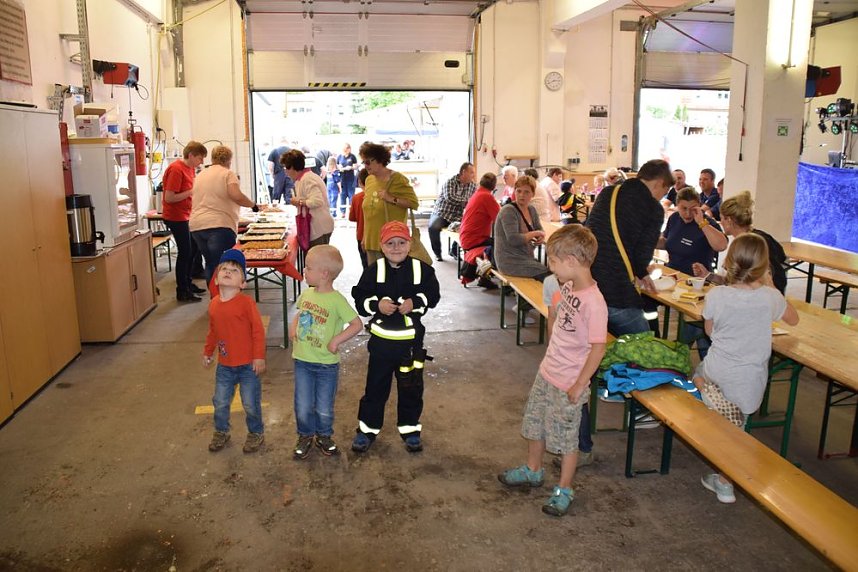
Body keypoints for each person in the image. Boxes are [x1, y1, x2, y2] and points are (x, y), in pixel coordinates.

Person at [498, 225, 608, 517]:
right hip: (548, 371)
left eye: (554, 262)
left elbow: (598, 348)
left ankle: (565, 488)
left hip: (569, 381)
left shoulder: (595, 303)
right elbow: (560, 322)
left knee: (566, 439)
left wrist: (578, 384)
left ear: (571, 260)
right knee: (535, 423)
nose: (551, 267)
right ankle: (534, 470)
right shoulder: (568, 286)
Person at [692, 233, 798, 504]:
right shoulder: (770, 298)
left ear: (729, 262)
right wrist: (772, 285)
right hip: (749, 380)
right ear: (764, 267)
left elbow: (709, 331)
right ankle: (725, 484)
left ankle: (707, 393)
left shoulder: (717, 294)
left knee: (698, 372)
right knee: (738, 430)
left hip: (718, 369)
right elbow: (793, 320)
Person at [351, 221, 441, 454]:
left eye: (401, 242)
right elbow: (360, 298)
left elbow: (433, 295)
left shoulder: (422, 270)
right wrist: (377, 305)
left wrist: (416, 302)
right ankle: (367, 430)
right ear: (381, 246)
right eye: (390, 243)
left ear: (410, 245)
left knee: (411, 389)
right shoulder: (374, 270)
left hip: (410, 346)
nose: (396, 247)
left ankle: (410, 430)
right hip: (381, 347)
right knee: (375, 389)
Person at [290, 245, 363, 459]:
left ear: (324, 274)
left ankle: (324, 435)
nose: (304, 270)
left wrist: (336, 340)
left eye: (308, 267)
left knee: (323, 406)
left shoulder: (337, 300)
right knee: (302, 404)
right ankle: (305, 435)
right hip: (302, 361)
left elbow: (357, 324)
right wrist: (293, 326)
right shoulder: (307, 295)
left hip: (326, 365)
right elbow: (300, 313)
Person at [586, 159, 673, 336]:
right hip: (617, 291)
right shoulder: (654, 209)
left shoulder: (608, 192)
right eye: (665, 191)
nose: (662, 197)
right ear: (659, 183)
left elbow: (590, 231)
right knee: (644, 348)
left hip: (588, 283)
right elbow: (642, 255)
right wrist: (642, 272)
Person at [203, 249, 267, 454]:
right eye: (224, 269)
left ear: (243, 283)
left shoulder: (246, 303)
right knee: (220, 402)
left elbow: (258, 330)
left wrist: (258, 356)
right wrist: (208, 352)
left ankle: (256, 432)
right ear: (215, 278)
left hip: (248, 365)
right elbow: (213, 331)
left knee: (250, 403)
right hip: (224, 366)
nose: (228, 272)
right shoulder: (213, 305)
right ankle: (221, 431)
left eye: (234, 270)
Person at [542, 268, 595, 470]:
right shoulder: (551, 283)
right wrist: (551, 348)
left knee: (578, 401)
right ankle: (570, 444)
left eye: (556, 260)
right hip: (561, 356)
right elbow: (552, 317)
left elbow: (596, 342)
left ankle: (583, 448)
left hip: (580, 357)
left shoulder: (588, 288)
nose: (552, 266)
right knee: (564, 400)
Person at [190, 145, 261, 285]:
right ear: (229, 160)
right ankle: (226, 299)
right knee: (225, 265)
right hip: (219, 225)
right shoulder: (227, 174)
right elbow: (236, 195)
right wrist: (253, 205)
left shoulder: (201, 174)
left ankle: (215, 299)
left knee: (211, 263)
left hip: (197, 226)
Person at [692, 191, 787, 293]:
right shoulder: (748, 239)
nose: (721, 222)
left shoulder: (752, 244)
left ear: (729, 220)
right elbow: (736, 283)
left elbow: (765, 284)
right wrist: (708, 275)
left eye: (722, 218)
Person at [359, 141, 419, 265]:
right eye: (364, 162)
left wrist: (391, 198)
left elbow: (413, 203)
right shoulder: (369, 180)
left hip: (392, 242)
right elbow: (368, 211)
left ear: (380, 160)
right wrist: (365, 236)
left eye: (368, 161)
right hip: (372, 241)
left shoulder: (397, 179)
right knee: (375, 279)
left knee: (391, 280)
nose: (366, 165)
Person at [162, 141, 208, 302]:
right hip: (176, 217)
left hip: (187, 215)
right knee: (185, 252)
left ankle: (188, 283)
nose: (201, 162)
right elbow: (169, 197)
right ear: (191, 155)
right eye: (200, 158)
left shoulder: (190, 169)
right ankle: (182, 290)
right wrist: (191, 191)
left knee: (194, 249)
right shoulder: (176, 169)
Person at [657, 187, 728, 276]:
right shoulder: (674, 218)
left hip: (697, 278)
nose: (688, 213)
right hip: (672, 273)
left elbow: (721, 246)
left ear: (699, 205)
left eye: (693, 209)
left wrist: (701, 223)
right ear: (677, 205)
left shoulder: (708, 223)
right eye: (684, 208)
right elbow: (667, 241)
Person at [493, 175, 551, 281]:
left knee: (554, 273)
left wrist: (541, 236)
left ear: (533, 194)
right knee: (549, 277)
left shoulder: (531, 209)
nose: (521, 195)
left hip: (525, 257)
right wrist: (535, 234)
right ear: (514, 191)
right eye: (518, 191)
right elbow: (513, 239)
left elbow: (540, 229)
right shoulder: (508, 211)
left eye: (526, 192)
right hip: (509, 261)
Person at [282, 149, 335, 250]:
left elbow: (317, 201)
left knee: (317, 262)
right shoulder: (304, 178)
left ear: (292, 167)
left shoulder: (308, 179)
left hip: (319, 227)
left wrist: (299, 202)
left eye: (286, 168)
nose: (286, 172)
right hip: (318, 226)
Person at [428, 162, 477, 261]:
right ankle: (437, 253)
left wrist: (466, 202)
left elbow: (473, 200)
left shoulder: (473, 186)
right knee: (433, 228)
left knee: (469, 227)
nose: (473, 175)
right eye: (471, 172)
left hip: (459, 215)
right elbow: (450, 198)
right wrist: (465, 201)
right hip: (443, 213)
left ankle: (454, 250)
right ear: (463, 172)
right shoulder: (450, 182)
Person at [459, 172, 501, 289]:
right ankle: (507, 283)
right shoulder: (487, 197)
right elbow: (501, 219)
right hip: (474, 240)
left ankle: (484, 277)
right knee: (504, 248)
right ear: (494, 186)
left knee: (494, 243)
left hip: (466, 237)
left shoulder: (477, 194)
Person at [349, 168, 370, 269]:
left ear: (360, 182)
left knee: (366, 265)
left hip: (361, 235)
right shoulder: (379, 196)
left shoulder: (356, 198)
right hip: (377, 236)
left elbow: (352, 217)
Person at [337, 143, 359, 218]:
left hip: (350, 178)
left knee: (351, 195)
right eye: (345, 150)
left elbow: (356, 166)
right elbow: (337, 165)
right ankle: (342, 212)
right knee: (342, 195)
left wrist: (351, 167)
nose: (346, 151)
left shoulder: (352, 156)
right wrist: (339, 167)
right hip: (342, 178)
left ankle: (351, 211)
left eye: (347, 150)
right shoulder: (339, 156)